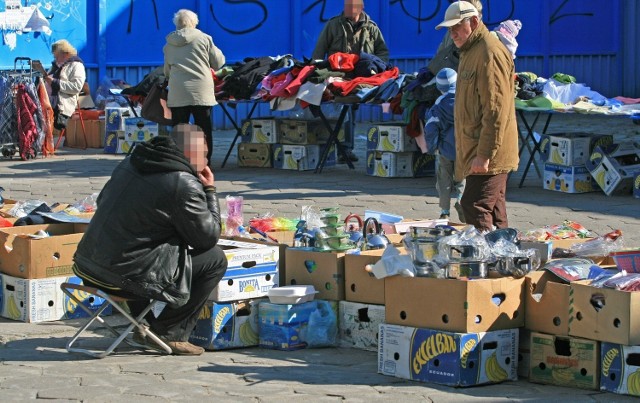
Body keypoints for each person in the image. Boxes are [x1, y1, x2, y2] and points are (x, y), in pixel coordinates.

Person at [72, 124, 228, 356]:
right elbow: (207, 238)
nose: (207, 160)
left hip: (87, 265)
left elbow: (103, 200)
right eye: (205, 154)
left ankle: (142, 325)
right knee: (215, 259)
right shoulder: (182, 182)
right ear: (190, 153)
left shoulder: (131, 162)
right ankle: (168, 333)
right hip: (122, 277)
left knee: (145, 249)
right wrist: (210, 191)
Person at [435, 1, 519, 232]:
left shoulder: (488, 52)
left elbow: (495, 110)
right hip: (478, 148)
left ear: (473, 21)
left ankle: (485, 260)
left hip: (490, 153)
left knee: (474, 205)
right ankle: (505, 260)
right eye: (449, 29)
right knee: (494, 210)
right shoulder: (470, 50)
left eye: (456, 27)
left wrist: (484, 155)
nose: (452, 33)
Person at [312, 0, 389, 163]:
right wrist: (314, 72)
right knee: (340, 111)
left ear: (361, 8)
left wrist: (374, 66)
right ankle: (340, 148)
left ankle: (344, 149)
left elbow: (382, 53)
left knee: (350, 112)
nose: (347, 9)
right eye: (346, 5)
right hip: (339, 76)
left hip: (361, 79)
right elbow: (319, 51)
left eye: (352, 6)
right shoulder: (333, 25)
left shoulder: (372, 28)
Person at [163, 9, 226, 165]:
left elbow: (167, 71)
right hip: (201, 91)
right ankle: (205, 163)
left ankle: (180, 162)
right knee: (203, 128)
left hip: (178, 91)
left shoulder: (169, 43)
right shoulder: (205, 39)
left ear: (177, 23)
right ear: (194, 22)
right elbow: (218, 63)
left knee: (179, 130)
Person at [424, 67, 465, 222]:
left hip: (445, 149)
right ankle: (461, 199)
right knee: (462, 178)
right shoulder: (465, 100)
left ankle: (445, 211)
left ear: (439, 87)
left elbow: (431, 128)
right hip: (464, 148)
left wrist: (432, 147)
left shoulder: (439, 105)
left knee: (444, 178)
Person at [44, 39, 86, 131]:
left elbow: (76, 87)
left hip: (60, 104)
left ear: (65, 54)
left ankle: (43, 142)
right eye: (54, 57)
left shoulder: (76, 65)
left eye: (57, 57)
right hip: (47, 101)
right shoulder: (55, 66)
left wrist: (54, 83)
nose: (56, 59)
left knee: (36, 116)